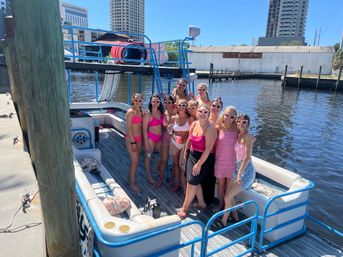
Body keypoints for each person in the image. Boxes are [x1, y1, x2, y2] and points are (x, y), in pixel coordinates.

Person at [177, 105, 217, 219]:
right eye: (200, 111)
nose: (203, 113)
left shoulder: (210, 129)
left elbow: (208, 149)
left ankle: (184, 208)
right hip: (193, 155)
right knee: (193, 180)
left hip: (205, 158)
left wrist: (199, 164)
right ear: (197, 113)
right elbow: (190, 139)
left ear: (208, 114)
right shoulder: (194, 124)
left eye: (205, 112)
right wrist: (186, 151)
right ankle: (201, 203)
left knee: (192, 181)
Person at [221, 113, 256, 226]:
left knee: (227, 197)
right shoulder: (239, 134)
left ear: (248, 124)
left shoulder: (247, 137)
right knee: (229, 196)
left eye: (244, 122)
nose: (241, 123)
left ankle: (223, 222)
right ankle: (235, 217)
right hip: (237, 168)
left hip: (246, 171)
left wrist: (240, 174)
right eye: (239, 121)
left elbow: (247, 157)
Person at [214, 106, 238, 211]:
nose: (228, 118)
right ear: (223, 114)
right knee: (220, 185)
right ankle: (220, 204)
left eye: (232, 116)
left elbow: (243, 142)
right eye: (226, 115)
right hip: (220, 161)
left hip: (232, 162)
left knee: (229, 187)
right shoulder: (218, 127)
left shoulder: (237, 128)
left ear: (235, 118)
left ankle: (227, 207)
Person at [168, 99, 194, 193]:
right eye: (180, 105)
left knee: (183, 165)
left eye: (184, 105)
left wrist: (186, 141)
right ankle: (178, 184)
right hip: (174, 143)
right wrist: (172, 134)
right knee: (176, 164)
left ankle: (186, 187)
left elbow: (192, 133)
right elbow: (170, 131)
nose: (181, 107)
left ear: (186, 107)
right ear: (177, 106)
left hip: (185, 144)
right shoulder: (173, 118)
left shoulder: (190, 118)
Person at [143, 93, 164, 185]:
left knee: (163, 156)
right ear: (150, 102)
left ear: (160, 102)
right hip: (151, 138)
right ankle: (148, 176)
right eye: (153, 101)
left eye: (157, 101)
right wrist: (146, 143)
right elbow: (144, 129)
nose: (155, 103)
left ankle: (156, 168)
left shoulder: (161, 112)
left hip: (159, 138)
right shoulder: (148, 114)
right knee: (148, 156)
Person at [155, 95, 175, 188]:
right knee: (164, 160)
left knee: (175, 162)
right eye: (165, 102)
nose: (167, 104)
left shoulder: (177, 112)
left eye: (169, 102)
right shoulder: (164, 113)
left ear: (173, 103)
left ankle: (171, 179)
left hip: (175, 139)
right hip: (166, 138)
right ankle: (161, 178)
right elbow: (162, 128)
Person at [125, 93, 144, 192]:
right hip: (131, 139)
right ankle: (132, 184)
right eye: (136, 100)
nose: (138, 102)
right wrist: (133, 142)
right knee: (134, 161)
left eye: (140, 100)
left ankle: (130, 179)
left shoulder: (141, 111)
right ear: (132, 100)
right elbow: (128, 128)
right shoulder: (130, 112)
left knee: (136, 161)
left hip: (139, 139)